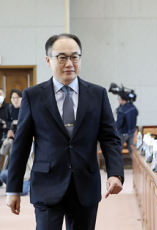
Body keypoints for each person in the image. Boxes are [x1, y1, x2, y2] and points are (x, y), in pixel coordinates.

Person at [6, 33, 124, 230]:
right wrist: (13, 190)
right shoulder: (33, 96)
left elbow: (110, 138)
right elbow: (21, 144)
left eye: (75, 57)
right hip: (46, 185)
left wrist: (115, 174)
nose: (69, 63)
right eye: (62, 57)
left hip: (85, 185)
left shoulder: (97, 94)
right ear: (48, 60)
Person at [116, 92, 139, 158]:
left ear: (123, 100)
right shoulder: (133, 107)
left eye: (119, 99)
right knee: (132, 151)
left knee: (117, 151)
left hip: (122, 133)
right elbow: (137, 113)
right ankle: (136, 166)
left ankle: (117, 167)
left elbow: (119, 123)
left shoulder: (121, 110)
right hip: (131, 132)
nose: (118, 101)